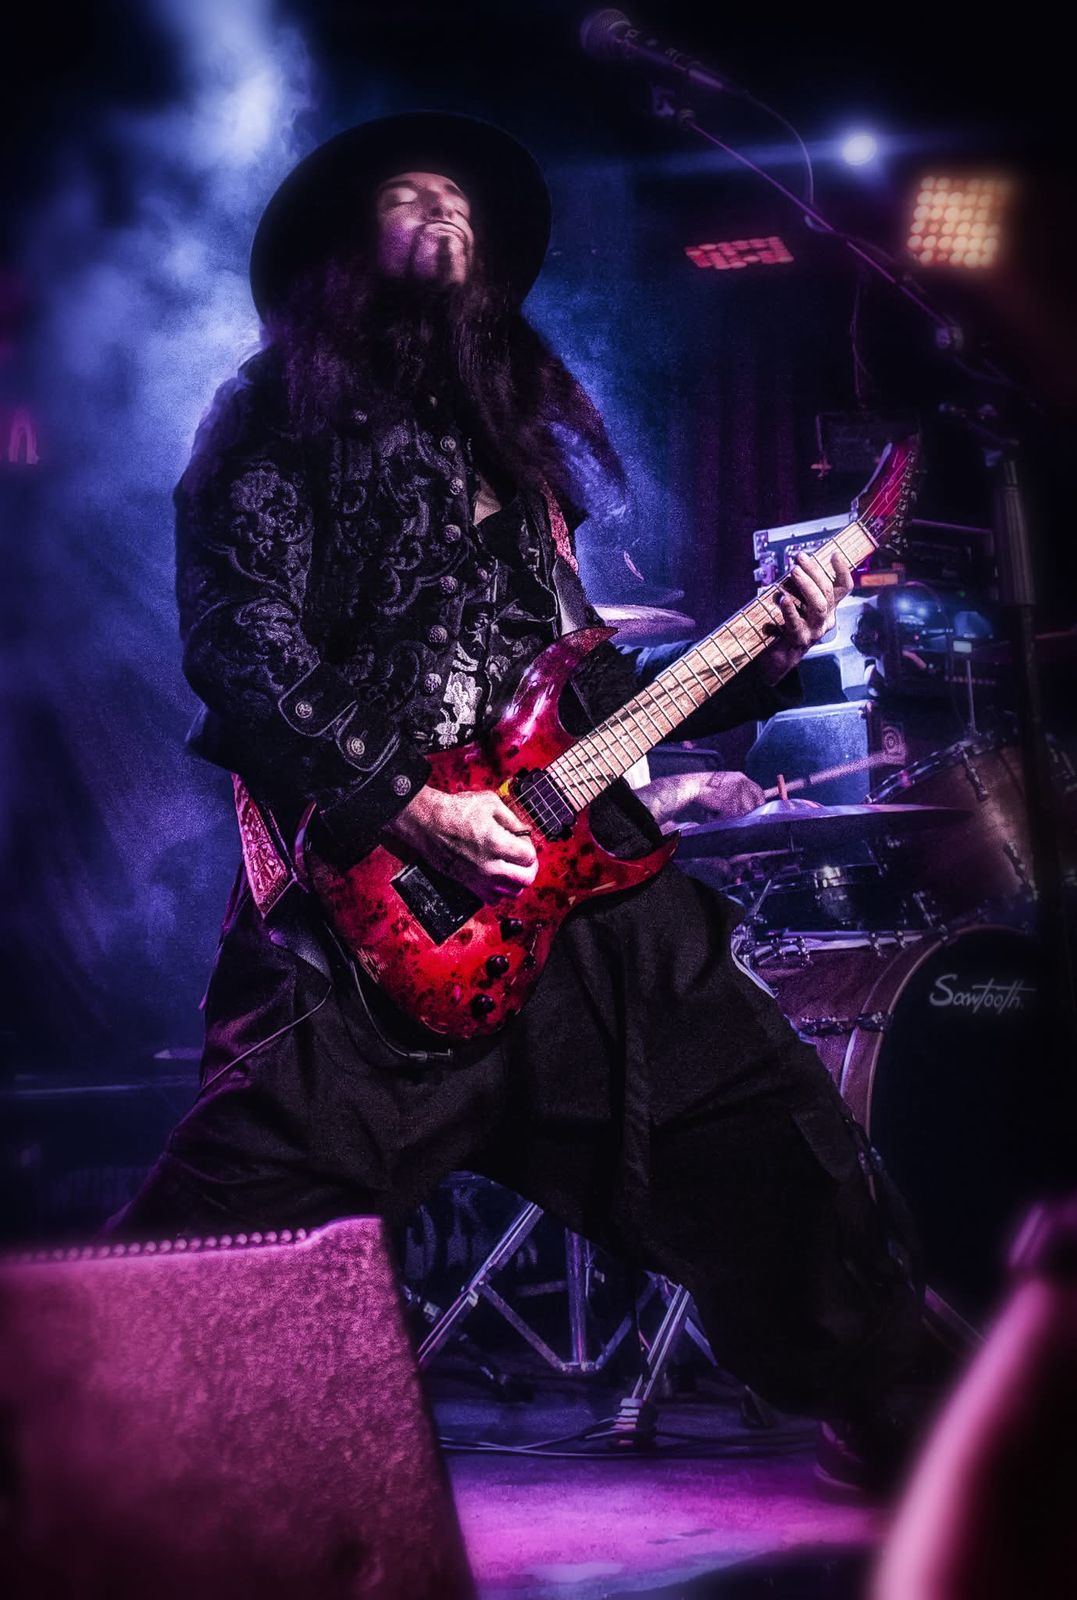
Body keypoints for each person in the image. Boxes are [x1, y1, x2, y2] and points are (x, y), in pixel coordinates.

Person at [110, 112, 924, 1488]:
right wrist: (408, 805)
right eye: (409, 196)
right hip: (372, 922)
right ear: (338, 246)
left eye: (463, 204)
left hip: (588, 912)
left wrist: (762, 657)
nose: (445, 213)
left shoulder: (515, 454)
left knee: (778, 1148)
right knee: (218, 1254)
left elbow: (590, 698)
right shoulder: (272, 410)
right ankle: (68, 1465)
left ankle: (911, 1408)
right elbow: (240, 643)